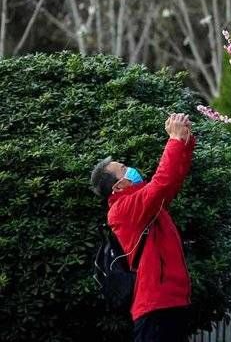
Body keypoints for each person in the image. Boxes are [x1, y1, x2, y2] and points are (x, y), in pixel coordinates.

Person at [91, 113, 196, 342]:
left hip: (170, 302)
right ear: (119, 186)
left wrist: (185, 141)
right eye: (124, 168)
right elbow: (162, 183)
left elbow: (172, 180)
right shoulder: (122, 209)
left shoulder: (142, 201)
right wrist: (174, 140)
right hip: (155, 308)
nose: (131, 169)